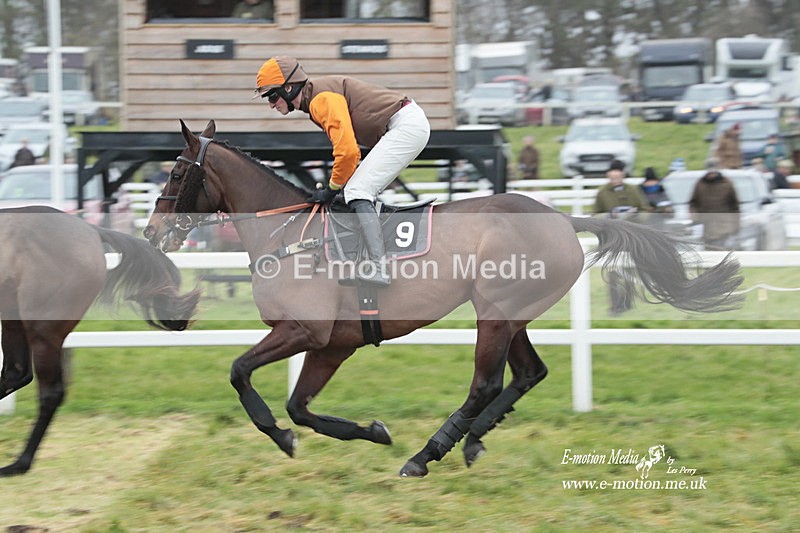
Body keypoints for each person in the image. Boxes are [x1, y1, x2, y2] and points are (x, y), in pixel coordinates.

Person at [254, 55, 430, 286]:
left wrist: (331, 187)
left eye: (273, 96)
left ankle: (378, 267)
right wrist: (337, 185)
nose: (271, 104)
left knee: (357, 190)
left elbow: (348, 152)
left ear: (289, 88)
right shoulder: (316, 97)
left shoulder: (320, 99)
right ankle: (367, 259)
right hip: (402, 124)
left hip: (404, 126)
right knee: (354, 190)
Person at [593, 160, 651, 315]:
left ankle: (627, 302)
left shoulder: (633, 190)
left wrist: (634, 215)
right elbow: (594, 216)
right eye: (613, 176)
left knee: (629, 271)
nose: (616, 179)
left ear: (623, 175)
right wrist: (610, 215)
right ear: (608, 175)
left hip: (631, 237)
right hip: (612, 239)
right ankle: (615, 306)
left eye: (619, 175)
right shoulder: (602, 193)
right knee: (612, 273)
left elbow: (645, 211)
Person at [689, 169, 740, 249]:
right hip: (707, 225)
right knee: (710, 250)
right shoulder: (700, 184)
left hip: (724, 225)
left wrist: (736, 225)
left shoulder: (727, 184)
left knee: (722, 249)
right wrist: (695, 219)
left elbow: (734, 206)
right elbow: (693, 204)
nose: (711, 174)